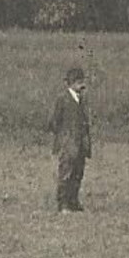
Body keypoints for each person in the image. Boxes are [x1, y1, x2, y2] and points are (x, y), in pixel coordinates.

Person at [48, 66, 92, 212]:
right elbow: (54, 122)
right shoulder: (62, 99)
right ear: (71, 83)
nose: (81, 85)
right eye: (78, 82)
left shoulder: (83, 99)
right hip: (67, 143)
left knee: (78, 173)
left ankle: (74, 201)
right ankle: (63, 203)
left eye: (82, 81)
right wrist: (64, 137)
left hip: (81, 143)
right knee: (65, 173)